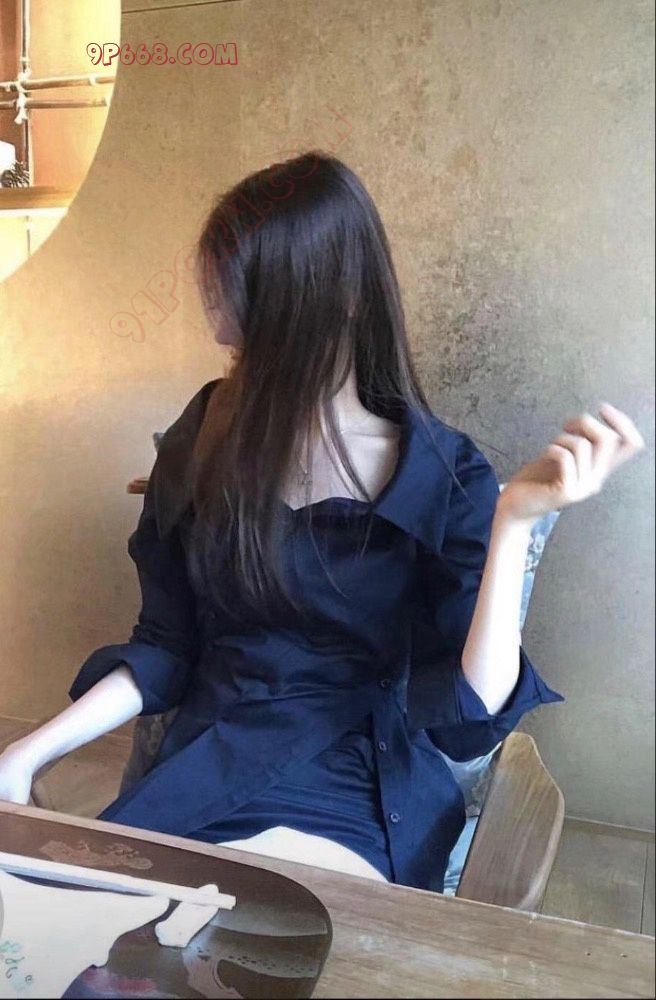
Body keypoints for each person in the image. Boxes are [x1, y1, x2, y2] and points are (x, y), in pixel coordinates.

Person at [0, 153, 645, 891]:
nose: (221, 334)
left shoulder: (442, 473)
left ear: (327, 304)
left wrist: (513, 524)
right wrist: (27, 752)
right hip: (206, 764)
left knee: (280, 924)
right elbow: (165, 646)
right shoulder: (203, 435)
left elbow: (469, 717)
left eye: (243, 313)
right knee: (94, 931)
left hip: (360, 784)